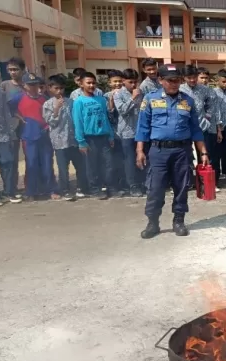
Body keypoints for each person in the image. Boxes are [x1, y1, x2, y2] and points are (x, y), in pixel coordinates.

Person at [135, 64, 208, 239]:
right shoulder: (150, 99)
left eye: (177, 80)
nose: (175, 84)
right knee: (155, 188)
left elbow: (196, 129)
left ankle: (179, 221)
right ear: (160, 80)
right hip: (158, 151)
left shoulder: (187, 101)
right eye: (170, 80)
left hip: (182, 151)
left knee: (181, 187)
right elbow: (142, 127)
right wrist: (140, 150)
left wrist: (203, 153)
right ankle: (153, 223)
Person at [10, 73, 59, 202]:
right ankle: (31, 190)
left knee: (47, 163)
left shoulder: (44, 98)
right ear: (24, 86)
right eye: (30, 85)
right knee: (31, 164)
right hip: (28, 136)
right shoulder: (18, 98)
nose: (33, 87)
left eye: (35, 84)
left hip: (44, 135)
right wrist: (19, 118)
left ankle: (50, 189)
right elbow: (9, 110)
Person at [42, 75, 88, 201]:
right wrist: (56, 109)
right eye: (56, 88)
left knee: (80, 166)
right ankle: (65, 190)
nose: (59, 91)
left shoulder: (71, 102)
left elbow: (77, 119)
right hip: (59, 142)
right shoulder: (47, 104)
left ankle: (81, 188)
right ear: (50, 88)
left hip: (73, 140)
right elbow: (50, 122)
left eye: (61, 88)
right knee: (63, 168)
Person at [72, 72, 115, 199]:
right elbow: (78, 122)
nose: (91, 85)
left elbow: (106, 118)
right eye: (88, 83)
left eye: (93, 83)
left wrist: (111, 136)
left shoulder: (101, 100)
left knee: (108, 164)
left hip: (104, 136)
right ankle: (95, 189)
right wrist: (81, 141)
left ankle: (110, 187)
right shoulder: (78, 102)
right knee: (92, 166)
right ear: (81, 84)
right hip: (89, 139)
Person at [114, 68, 145, 197]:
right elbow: (122, 111)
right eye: (130, 82)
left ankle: (143, 182)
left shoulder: (140, 92)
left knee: (142, 158)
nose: (133, 85)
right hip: (126, 133)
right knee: (129, 160)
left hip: (140, 132)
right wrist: (133, 98)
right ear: (123, 81)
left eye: (135, 82)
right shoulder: (118, 94)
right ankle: (132, 185)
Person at [0, 57, 26, 201]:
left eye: (15, 69)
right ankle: (10, 189)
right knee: (12, 160)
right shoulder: (4, 86)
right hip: (11, 127)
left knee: (32, 157)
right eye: (10, 69)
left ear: (22, 70)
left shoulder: (28, 84)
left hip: (28, 125)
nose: (13, 72)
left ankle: (35, 185)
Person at [0, 82, 17, 206]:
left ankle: (9, 192)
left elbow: (7, 114)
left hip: (1, 134)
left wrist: (11, 134)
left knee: (7, 163)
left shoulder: (0, 93)